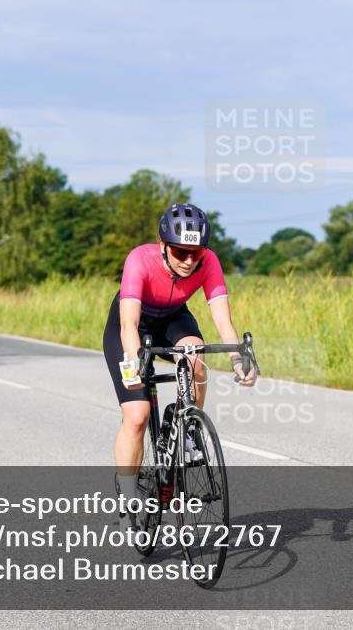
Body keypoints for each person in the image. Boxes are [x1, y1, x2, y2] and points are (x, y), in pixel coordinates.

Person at [103, 203, 256, 512]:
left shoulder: (208, 261)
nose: (188, 261)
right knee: (137, 416)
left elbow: (223, 321)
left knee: (196, 357)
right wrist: (135, 365)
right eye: (180, 252)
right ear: (163, 246)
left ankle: (188, 429)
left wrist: (238, 361)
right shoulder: (140, 259)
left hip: (173, 319)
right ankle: (129, 495)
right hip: (132, 325)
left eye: (195, 253)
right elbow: (129, 324)